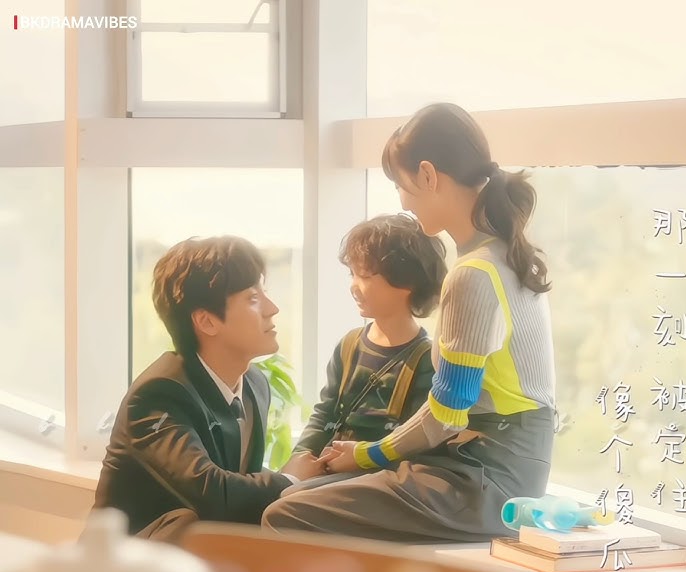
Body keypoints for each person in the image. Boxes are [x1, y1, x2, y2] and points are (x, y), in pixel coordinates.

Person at [263, 103, 556, 542]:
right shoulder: (503, 256)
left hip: (487, 479)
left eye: (400, 185)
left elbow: (446, 415)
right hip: (485, 466)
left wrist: (366, 454)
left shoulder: (473, 275)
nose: (401, 199)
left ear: (427, 175)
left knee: (285, 514)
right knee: (293, 499)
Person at [93, 235, 324, 541]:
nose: (272, 308)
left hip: (204, 551)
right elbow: (212, 492)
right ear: (207, 321)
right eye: (252, 299)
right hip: (129, 559)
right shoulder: (158, 394)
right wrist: (290, 479)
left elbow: (240, 489)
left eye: (264, 292)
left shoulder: (255, 384)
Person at [291, 214, 447, 459]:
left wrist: (359, 460)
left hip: (378, 471)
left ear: (406, 282)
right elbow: (325, 413)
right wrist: (300, 456)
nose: (354, 286)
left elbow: (416, 439)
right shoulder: (349, 345)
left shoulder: (429, 359)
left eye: (364, 276)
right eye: (351, 274)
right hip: (331, 464)